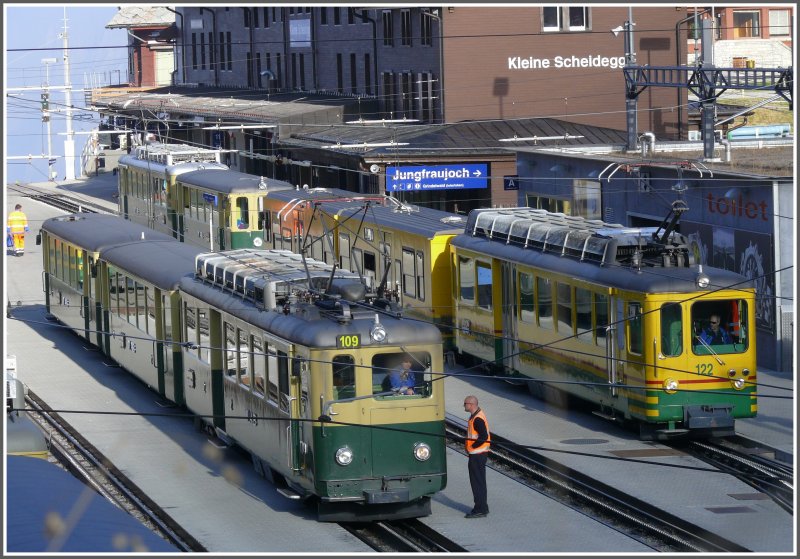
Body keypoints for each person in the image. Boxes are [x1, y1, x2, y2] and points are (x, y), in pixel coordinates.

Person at [463, 395, 490, 518]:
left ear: (471, 404)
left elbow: (483, 436)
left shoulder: (478, 419)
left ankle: (480, 509)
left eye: (465, 403)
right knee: (480, 481)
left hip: (477, 455)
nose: (464, 406)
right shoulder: (476, 416)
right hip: (479, 454)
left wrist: (472, 446)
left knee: (477, 482)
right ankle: (483, 507)